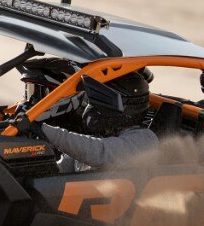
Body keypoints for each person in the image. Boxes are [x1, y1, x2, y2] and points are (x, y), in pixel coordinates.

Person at [18, 71, 159, 169]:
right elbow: (59, 172)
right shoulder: (100, 136)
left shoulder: (145, 140)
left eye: (98, 101)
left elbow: (100, 152)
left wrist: (43, 129)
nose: (90, 108)